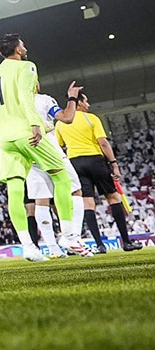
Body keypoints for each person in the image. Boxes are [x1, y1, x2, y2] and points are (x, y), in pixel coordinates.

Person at [0, 33, 77, 262]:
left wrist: (6, 119)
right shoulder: (27, 67)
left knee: (15, 189)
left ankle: (28, 247)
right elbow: (27, 96)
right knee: (62, 177)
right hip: (28, 133)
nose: (25, 48)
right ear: (17, 49)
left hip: (6, 138)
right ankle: (68, 236)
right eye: (22, 44)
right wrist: (35, 124)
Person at [56, 90, 140, 251]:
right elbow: (103, 143)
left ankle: (99, 245)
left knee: (88, 203)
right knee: (113, 198)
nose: (88, 104)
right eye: (86, 101)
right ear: (79, 103)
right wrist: (114, 163)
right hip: (95, 160)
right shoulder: (91, 118)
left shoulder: (60, 123)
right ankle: (127, 242)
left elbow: (59, 145)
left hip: (75, 163)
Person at [28, 85, 90, 256]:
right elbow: (67, 117)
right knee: (75, 190)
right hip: (49, 148)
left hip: (28, 152)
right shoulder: (43, 100)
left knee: (41, 199)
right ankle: (72, 237)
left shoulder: (13, 104)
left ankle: (53, 248)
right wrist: (71, 97)